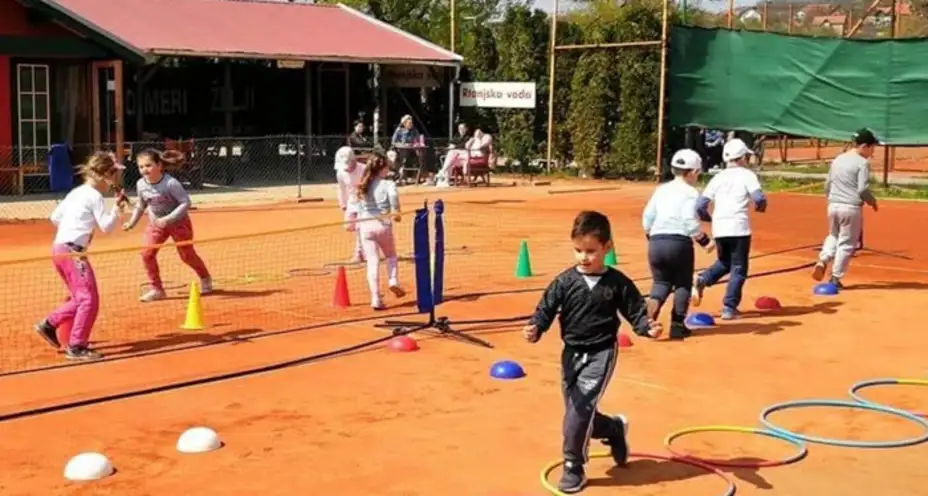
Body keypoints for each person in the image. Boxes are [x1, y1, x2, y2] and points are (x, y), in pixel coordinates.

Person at [522, 211, 662, 494]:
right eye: (578, 250)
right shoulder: (565, 281)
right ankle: (612, 429)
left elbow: (636, 311)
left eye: (590, 251)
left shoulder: (617, 282)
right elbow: (545, 309)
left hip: (601, 352)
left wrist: (647, 327)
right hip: (572, 353)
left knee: (578, 411)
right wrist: (535, 328)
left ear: (607, 247)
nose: (583, 257)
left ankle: (573, 465)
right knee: (578, 412)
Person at [33, 151, 129, 361]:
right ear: (104, 174)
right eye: (113, 173)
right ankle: (76, 346)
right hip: (72, 252)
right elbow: (106, 226)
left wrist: (78, 228)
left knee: (81, 297)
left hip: (59, 248)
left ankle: (49, 324)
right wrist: (117, 209)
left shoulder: (77, 192)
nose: (115, 178)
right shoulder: (95, 196)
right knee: (89, 299)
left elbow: (55, 217)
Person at [642, 149, 715, 340]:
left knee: (660, 283)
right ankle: (677, 325)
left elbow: (648, 216)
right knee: (683, 283)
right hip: (679, 243)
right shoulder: (691, 193)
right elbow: (688, 219)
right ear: (693, 172)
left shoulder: (662, 189)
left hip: (656, 242)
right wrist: (704, 240)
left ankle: (647, 320)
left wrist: (651, 234)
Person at [124, 149, 213, 303]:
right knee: (147, 254)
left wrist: (169, 218)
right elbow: (141, 204)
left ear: (159, 165)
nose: (144, 170)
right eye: (141, 167)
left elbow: (185, 202)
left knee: (187, 255)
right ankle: (157, 289)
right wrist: (131, 222)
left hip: (179, 224)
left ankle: (205, 278)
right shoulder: (140, 184)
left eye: (148, 165)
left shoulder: (170, 183)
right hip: (156, 224)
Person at [694, 138, 767, 320]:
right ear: (741, 157)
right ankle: (729, 307)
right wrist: (761, 206)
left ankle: (703, 279)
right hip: (739, 228)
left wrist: (709, 219)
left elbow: (700, 205)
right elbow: (759, 199)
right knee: (739, 268)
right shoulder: (747, 175)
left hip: (720, 227)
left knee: (725, 262)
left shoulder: (718, 177)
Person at [811, 128, 879, 288]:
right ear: (864, 146)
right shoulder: (862, 163)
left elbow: (828, 183)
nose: (873, 151)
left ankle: (823, 259)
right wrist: (872, 201)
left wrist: (830, 198)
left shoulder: (839, 158)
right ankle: (835, 277)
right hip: (850, 207)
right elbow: (862, 189)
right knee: (847, 243)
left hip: (833, 205)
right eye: (872, 147)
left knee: (833, 235)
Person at [355, 152, 405, 310]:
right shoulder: (388, 184)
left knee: (372, 262)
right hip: (383, 224)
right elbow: (394, 199)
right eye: (387, 167)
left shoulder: (363, 184)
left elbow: (358, 206)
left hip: (366, 225)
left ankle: (376, 298)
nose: (388, 170)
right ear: (382, 168)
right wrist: (397, 213)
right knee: (391, 256)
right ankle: (393, 280)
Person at [335, 146, 366, 263]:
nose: (347, 168)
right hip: (352, 202)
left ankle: (359, 253)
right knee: (349, 226)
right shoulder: (340, 173)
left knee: (360, 227)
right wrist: (342, 202)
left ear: (354, 160)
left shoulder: (364, 169)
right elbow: (341, 188)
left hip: (365, 203)